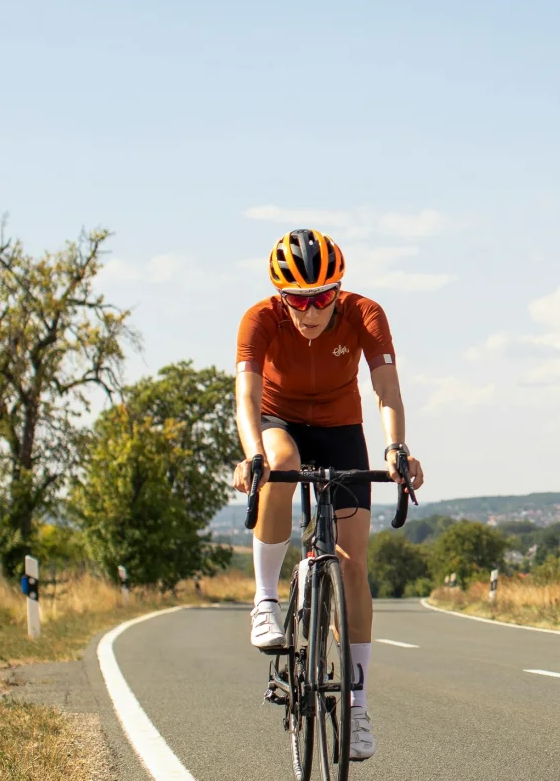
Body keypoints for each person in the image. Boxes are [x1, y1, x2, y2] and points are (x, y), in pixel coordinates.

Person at [230, 228, 424, 762]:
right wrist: (253, 455)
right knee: (282, 463)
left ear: (338, 290)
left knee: (353, 563)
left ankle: (357, 708)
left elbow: (386, 388)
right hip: (278, 420)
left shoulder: (366, 314)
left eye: (322, 297)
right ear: (280, 295)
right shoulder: (260, 319)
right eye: (297, 298)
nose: (310, 309)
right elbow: (246, 394)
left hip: (340, 427)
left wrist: (397, 448)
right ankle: (266, 601)